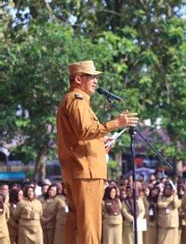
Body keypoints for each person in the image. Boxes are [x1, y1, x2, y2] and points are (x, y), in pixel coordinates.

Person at [56, 60, 138, 244]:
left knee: (77, 223)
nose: (95, 81)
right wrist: (116, 123)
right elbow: (85, 130)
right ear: (78, 79)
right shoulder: (77, 100)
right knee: (89, 224)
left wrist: (101, 143)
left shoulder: (76, 100)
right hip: (86, 172)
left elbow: (80, 137)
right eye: (91, 77)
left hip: (81, 170)